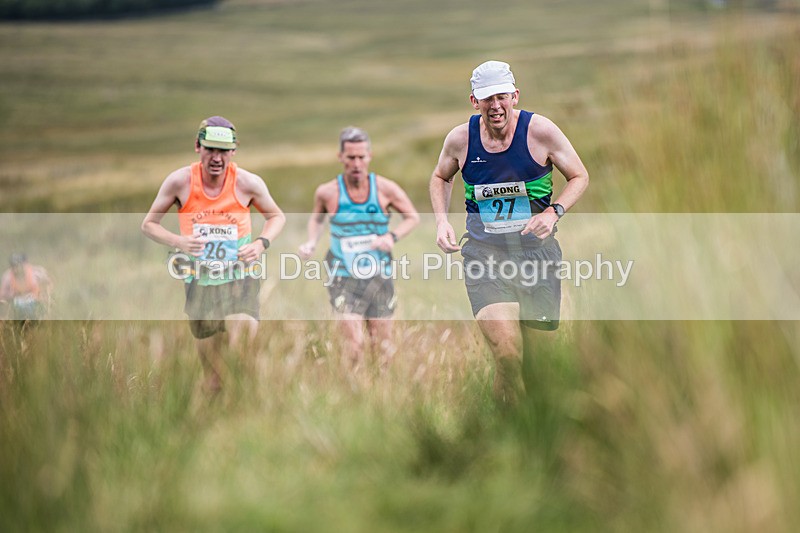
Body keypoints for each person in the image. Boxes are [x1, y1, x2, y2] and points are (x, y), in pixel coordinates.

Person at [430, 61, 589, 405]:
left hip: (538, 256)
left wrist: (553, 211)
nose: (495, 106)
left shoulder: (541, 131)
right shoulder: (461, 139)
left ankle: (534, 435)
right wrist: (442, 221)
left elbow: (579, 176)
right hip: (485, 256)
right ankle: (503, 435)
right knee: (508, 356)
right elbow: (441, 176)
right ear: (474, 101)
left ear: (515, 96)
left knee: (539, 365)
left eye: (502, 97)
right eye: (487, 99)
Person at [142, 116, 285, 392]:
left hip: (240, 278)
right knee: (213, 373)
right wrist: (180, 242)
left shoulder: (248, 183)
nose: (217, 158)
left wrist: (259, 244)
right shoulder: (179, 182)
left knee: (240, 349)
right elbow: (148, 225)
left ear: (234, 150)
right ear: (198, 146)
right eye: (210, 149)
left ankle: (245, 406)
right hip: (201, 283)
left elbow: (277, 217)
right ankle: (216, 410)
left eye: (223, 151)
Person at [299, 127, 419, 372]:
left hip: (379, 275)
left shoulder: (386, 189)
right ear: (340, 157)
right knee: (354, 347)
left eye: (361, 157)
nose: (356, 163)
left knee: (382, 347)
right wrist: (311, 241)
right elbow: (317, 219)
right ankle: (356, 394)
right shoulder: (327, 192)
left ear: (369, 156)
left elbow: (412, 217)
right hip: (342, 275)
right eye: (351, 157)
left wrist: (391, 236)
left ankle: (381, 398)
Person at [0, 253, 52, 324]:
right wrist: (13, 295)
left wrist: (41, 296)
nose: (17, 268)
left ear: (25, 264)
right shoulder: (7, 278)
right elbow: (2, 296)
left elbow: (48, 284)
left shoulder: (37, 273)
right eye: (14, 266)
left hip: (35, 303)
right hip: (17, 306)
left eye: (19, 265)